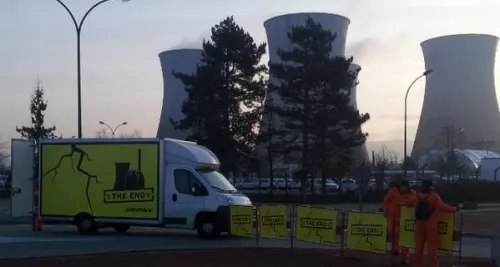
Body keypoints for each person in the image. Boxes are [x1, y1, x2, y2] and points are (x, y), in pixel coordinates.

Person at [407, 179, 458, 267]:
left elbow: (408, 203)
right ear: (431, 186)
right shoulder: (434, 196)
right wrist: (454, 209)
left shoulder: (417, 195)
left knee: (418, 248)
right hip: (431, 224)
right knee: (432, 249)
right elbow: (442, 206)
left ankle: (418, 265)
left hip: (419, 223)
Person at [383, 180, 415, 265]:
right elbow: (386, 201)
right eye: (402, 187)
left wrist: (404, 203)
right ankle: (394, 253)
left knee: (404, 238)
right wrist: (385, 210)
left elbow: (414, 201)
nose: (403, 189)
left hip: (404, 219)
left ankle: (405, 256)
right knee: (392, 235)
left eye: (405, 187)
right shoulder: (393, 191)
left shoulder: (412, 193)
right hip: (392, 217)